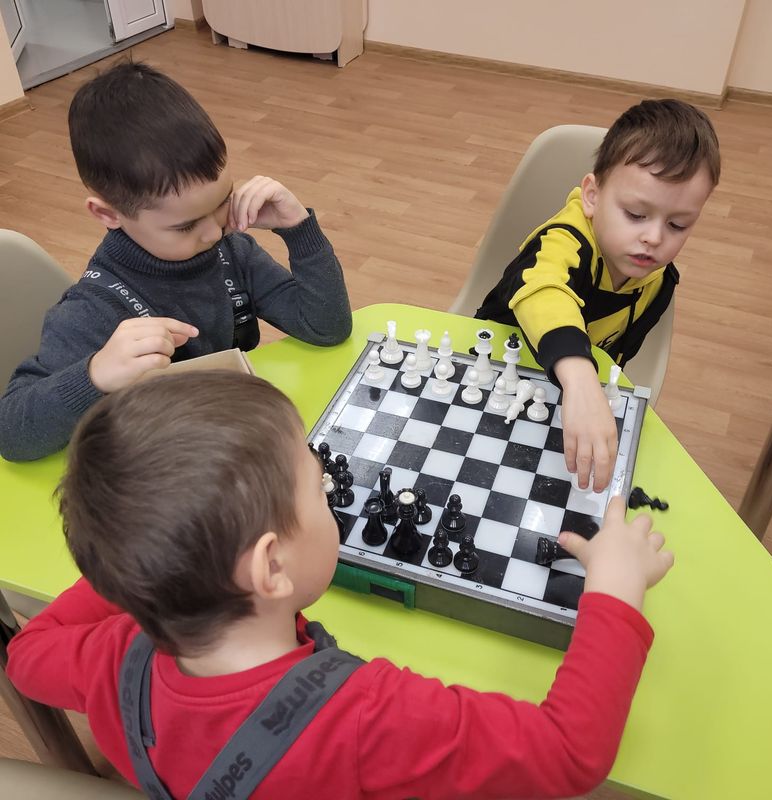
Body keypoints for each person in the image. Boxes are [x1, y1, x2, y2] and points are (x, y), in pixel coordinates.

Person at [7, 371, 673, 800]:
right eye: (319, 489)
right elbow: (570, 752)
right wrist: (613, 594)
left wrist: (140, 555)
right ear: (271, 568)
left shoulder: (111, 658)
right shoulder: (367, 719)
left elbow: (27, 654)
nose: (330, 491)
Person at [0, 61, 351, 462]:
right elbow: (12, 434)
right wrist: (94, 374)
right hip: (161, 466)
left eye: (222, 202)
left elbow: (327, 327)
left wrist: (298, 229)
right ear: (108, 214)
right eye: (185, 226)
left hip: (228, 439)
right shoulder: (91, 310)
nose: (214, 233)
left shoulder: (232, 251)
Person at [476, 99, 720, 492]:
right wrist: (581, 380)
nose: (654, 237)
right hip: (492, 370)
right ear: (592, 195)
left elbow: (614, 356)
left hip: (559, 396)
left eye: (678, 224)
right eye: (636, 215)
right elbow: (543, 290)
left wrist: (588, 389)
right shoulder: (564, 241)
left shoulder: (658, 282)